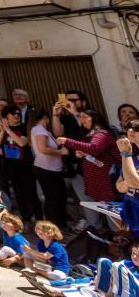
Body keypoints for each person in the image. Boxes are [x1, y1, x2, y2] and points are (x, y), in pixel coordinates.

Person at [56, 109, 118, 229]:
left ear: (95, 118)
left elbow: (95, 148)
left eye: (85, 117)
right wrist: (83, 153)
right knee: (106, 209)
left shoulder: (102, 134)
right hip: (98, 180)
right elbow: (95, 153)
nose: (82, 120)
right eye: (81, 117)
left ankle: (120, 238)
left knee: (111, 211)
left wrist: (67, 141)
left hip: (106, 181)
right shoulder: (91, 135)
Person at [0, 104, 40, 222]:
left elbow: (21, 143)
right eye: (13, 113)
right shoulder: (2, 129)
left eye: (18, 114)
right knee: (18, 191)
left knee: (31, 191)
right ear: (6, 116)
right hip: (10, 165)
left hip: (25, 164)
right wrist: (2, 130)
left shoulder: (24, 127)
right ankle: (26, 217)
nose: (16, 115)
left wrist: (9, 130)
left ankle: (38, 216)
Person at [52, 90, 88, 228]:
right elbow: (57, 133)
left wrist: (75, 113)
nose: (70, 103)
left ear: (83, 102)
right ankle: (83, 219)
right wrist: (55, 114)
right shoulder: (66, 119)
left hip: (90, 161)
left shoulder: (90, 114)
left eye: (74, 100)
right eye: (68, 100)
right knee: (77, 194)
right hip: (72, 162)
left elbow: (86, 128)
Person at [31, 109, 69, 229]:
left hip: (53, 169)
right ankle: (53, 226)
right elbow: (43, 149)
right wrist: (61, 152)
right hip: (46, 169)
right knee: (53, 198)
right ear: (46, 118)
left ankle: (60, 224)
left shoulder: (45, 131)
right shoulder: (39, 129)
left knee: (59, 197)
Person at [116, 120, 139, 241]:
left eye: (136, 129)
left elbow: (134, 183)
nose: (130, 131)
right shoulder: (133, 158)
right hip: (133, 212)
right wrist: (130, 180)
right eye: (129, 128)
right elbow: (120, 186)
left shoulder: (128, 155)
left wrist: (125, 154)